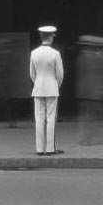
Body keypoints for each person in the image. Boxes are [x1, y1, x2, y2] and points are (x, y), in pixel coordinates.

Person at [29, 24, 64, 155]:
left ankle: (39, 149)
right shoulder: (55, 54)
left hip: (38, 89)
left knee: (39, 118)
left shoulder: (34, 53)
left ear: (41, 36)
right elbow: (60, 74)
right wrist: (56, 85)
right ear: (51, 37)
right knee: (51, 119)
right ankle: (50, 149)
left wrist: (37, 83)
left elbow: (32, 74)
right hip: (52, 88)